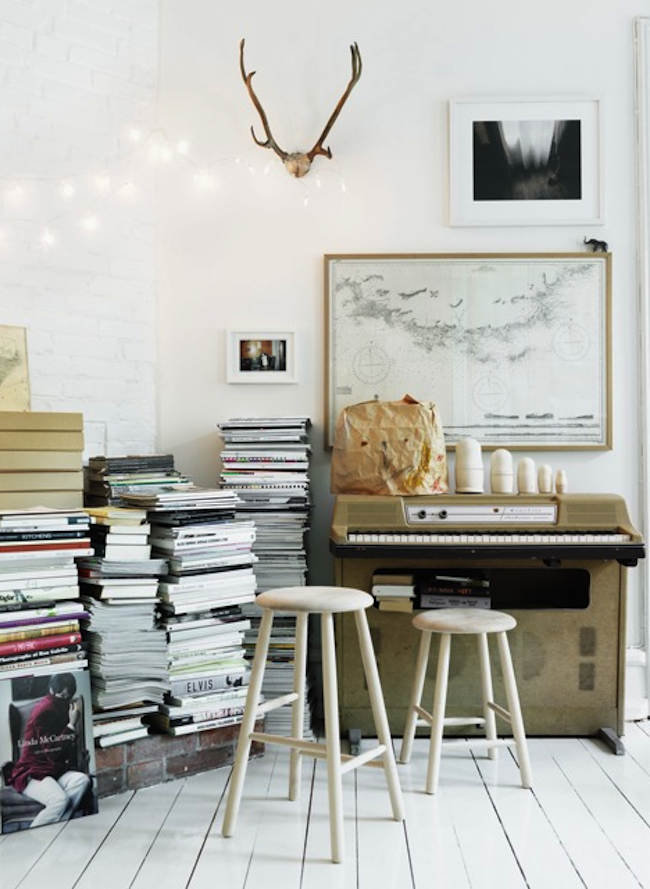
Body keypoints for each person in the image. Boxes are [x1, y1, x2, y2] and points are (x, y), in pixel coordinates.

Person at [7, 672, 91, 827]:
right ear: (52, 690)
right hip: (32, 773)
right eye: (62, 695)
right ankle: (35, 835)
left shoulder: (62, 706)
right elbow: (53, 752)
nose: (65, 699)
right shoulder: (45, 711)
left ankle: (60, 827)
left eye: (68, 696)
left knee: (82, 780)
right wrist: (71, 725)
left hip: (53, 770)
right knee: (59, 800)